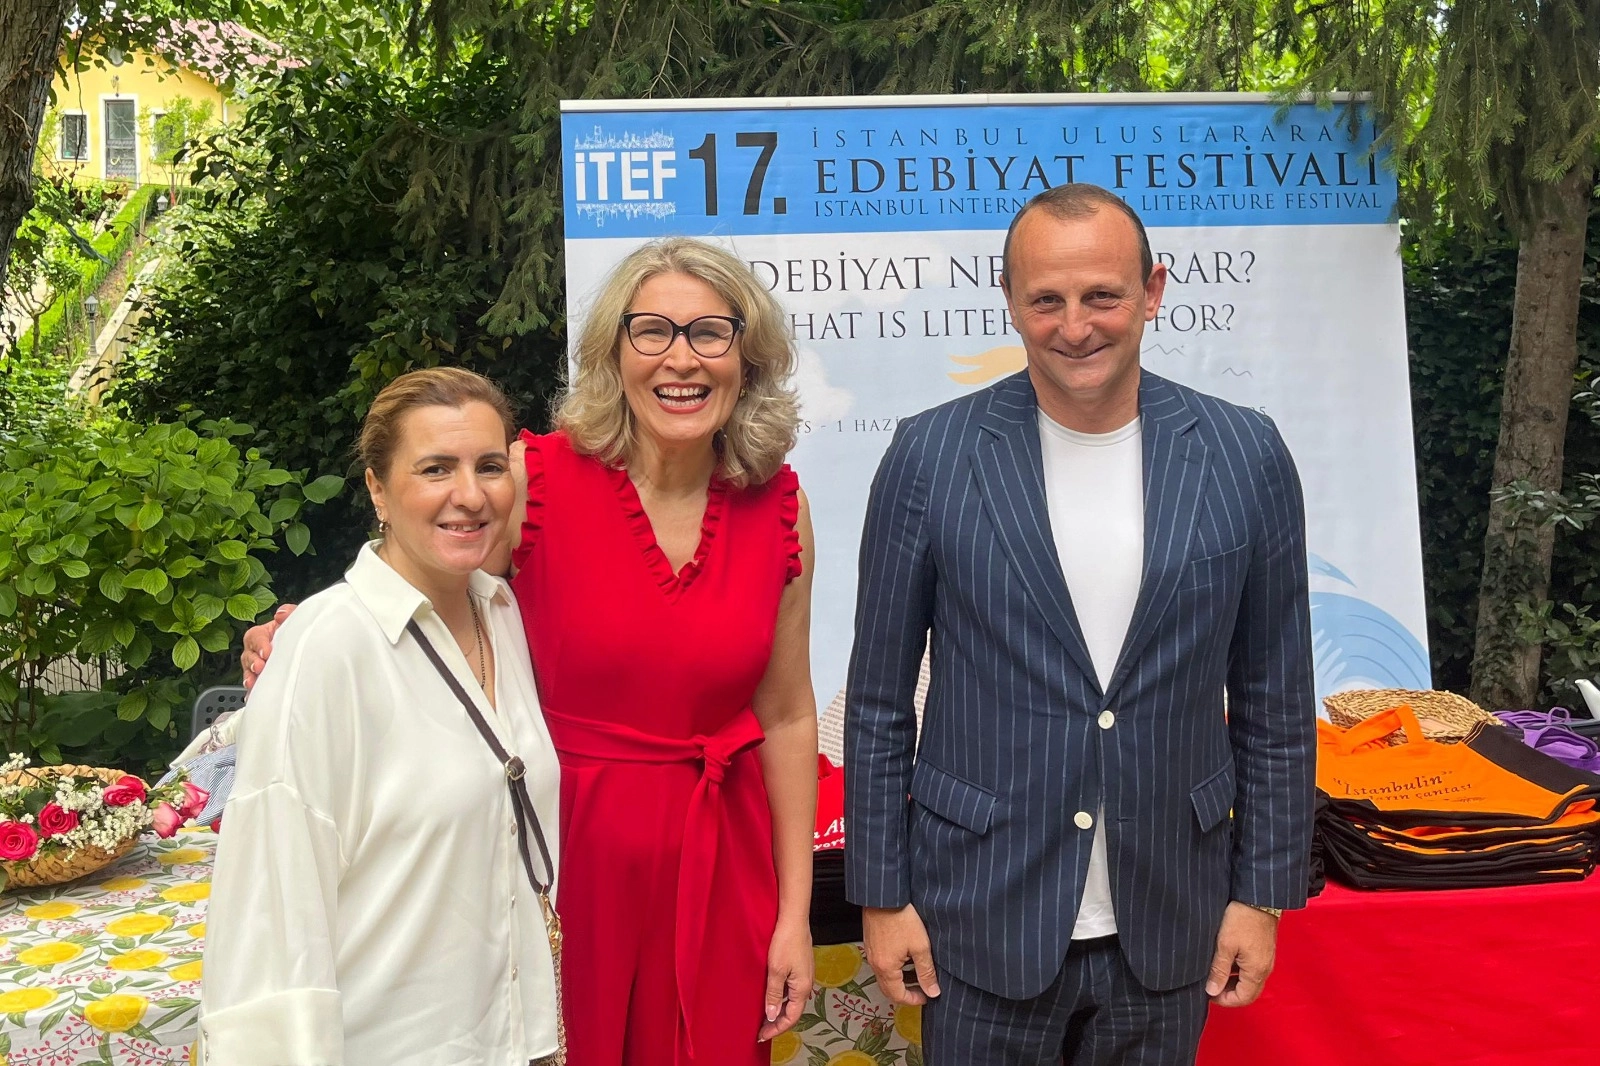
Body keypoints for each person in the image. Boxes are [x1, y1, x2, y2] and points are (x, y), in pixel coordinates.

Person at [242, 237, 819, 1066]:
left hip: (723, 867)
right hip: (557, 861)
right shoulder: (530, 478)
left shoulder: (781, 506)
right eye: (652, 331)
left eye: (709, 333)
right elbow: (429, 590)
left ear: (747, 356)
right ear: (613, 353)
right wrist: (314, 633)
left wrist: (793, 914)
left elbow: (788, 717)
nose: (681, 359)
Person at [845, 183, 1316, 1065]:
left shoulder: (1245, 454)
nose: (1075, 326)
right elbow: (877, 701)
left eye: (1102, 295)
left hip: (1171, 917)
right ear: (1009, 300)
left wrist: (1263, 895)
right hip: (975, 919)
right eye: (1046, 300)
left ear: (1153, 291)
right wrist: (880, 894)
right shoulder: (928, 456)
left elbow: (1275, 700)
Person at [201, 367, 563, 1064]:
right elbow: (273, 907)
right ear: (377, 489)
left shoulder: (503, 614)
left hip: (513, 1041)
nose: (470, 494)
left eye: (490, 467)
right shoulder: (326, 648)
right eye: (436, 468)